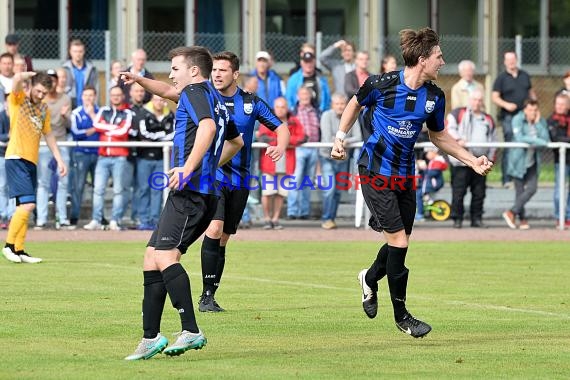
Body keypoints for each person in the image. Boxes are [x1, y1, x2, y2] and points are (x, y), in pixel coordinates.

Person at [331, 27, 493, 338]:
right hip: (375, 171)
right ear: (422, 60)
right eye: (438, 57)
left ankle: (369, 278)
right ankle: (402, 316)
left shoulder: (434, 96)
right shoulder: (382, 83)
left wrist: (472, 160)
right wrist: (340, 138)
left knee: (399, 240)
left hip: (405, 176)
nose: (442, 62)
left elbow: (439, 136)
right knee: (400, 242)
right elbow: (354, 103)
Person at [119, 46, 243, 360]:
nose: (171, 74)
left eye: (175, 68)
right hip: (200, 190)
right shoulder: (212, 98)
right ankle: (150, 337)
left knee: (164, 255)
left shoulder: (194, 94)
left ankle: (190, 330)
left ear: (192, 71)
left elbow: (208, 128)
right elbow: (236, 141)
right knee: (152, 257)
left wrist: (190, 167)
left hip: (192, 192)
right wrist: (138, 79)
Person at [198, 51, 289, 312]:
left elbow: (281, 127)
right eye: (214, 69)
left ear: (235, 74)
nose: (216, 74)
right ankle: (205, 296)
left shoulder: (251, 102)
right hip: (213, 175)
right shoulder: (203, 96)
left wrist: (280, 146)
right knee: (214, 229)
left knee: (224, 237)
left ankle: (211, 294)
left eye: (222, 70)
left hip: (241, 179)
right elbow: (171, 93)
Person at [2, 71, 68, 264]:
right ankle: (8, 246)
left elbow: (48, 135)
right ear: (31, 86)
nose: (40, 95)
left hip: (31, 161)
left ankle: (19, 249)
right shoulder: (19, 100)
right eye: (38, 91)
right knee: (29, 204)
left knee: (25, 207)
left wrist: (60, 160)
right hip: (16, 157)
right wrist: (30, 73)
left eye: (44, 92)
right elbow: (15, 80)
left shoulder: (44, 109)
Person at [82, 86, 132, 231]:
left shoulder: (127, 112)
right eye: (113, 95)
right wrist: (114, 127)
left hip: (120, 157)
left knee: (118, 190)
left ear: (122, 96)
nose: (115, 97)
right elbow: (96, 125)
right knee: (98, 189)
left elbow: (124, 131)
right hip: (103, 156)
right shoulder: (103, 111)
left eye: (118, 95)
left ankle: (114, 220)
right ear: (110, 96)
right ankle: (96, 220)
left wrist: (106, 127)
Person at [447, 89, 497, 228]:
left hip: (481, 163)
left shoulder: (488, 119)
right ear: (469, 100)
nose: (477, 103)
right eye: (474, 99)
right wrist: (458, 139)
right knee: (459, 192)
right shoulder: (458, 114)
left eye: (480, 100)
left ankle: (477, 219)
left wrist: (491, 158)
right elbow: (448, 130)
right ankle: (457, 219)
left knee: (479, 192)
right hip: (460, 162)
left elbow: (493, 139)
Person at [258, 97, 306, 230]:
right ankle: (267, 218)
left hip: (287, 163)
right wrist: (284, 142)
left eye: (283, 107)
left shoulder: (293, 121)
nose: (280, 109)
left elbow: (302, 137)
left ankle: (276, 219)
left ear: (287, 108)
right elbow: (263, 137)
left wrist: (283, 142)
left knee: (281, 193)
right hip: (270, 162)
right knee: (267, 192)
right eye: (278, 107)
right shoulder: (267, 118)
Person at [502, 99, 549, 230]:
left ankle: (511, 212)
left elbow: (546, 139)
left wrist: (539, 123)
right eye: (530, 110)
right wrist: (537, 141)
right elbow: (520, 138)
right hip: (518, 161)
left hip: (532, 161)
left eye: (535, 110)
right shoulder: (517, 119)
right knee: (520, 191)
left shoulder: (540, 121)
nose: (532, 113)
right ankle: (522, 219)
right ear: (525, 110)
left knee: (532, 188)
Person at [35, 69, 72, 230]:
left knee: (63, 181)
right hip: (44, 143)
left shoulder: (65, 98)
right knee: (43, 182)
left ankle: (62, 218)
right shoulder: (40, 100)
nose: (51, 83)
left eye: (53, 80)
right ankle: (41, 219)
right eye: (48, 80)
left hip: (61, 142)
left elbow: (70, 126)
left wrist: (65, 116)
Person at [492, 51, 536, 187]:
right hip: (509, 117)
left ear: (516, 60)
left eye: (513, 59)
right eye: (508, 60)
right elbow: (495, 97)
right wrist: (506, 104)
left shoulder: (525, 75)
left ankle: (523, 177)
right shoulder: (501, 78)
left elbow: (531, 93)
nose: (511, 62)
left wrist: (535, 106)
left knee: (526, 145)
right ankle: (507, 179)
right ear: (505, 62)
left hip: (525, 117)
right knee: (510, 145)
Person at [319, 93, 361, 229]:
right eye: (337, 104)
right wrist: (344, 141)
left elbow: (358, 136)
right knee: (329, 189)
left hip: (344, 158)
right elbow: (326, 138)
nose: (340, 107)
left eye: (342, 104)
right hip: (327, 157)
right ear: (332, 105)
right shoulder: (326, 116)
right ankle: (326, 218)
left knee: (337, 191)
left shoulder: (352, 115)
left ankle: (332, 219)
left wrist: (342, 141)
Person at [135, 94, 174, 230]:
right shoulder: (143, 114)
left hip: (161, 159)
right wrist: (162, 136)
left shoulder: (170, 115)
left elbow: (174, 133)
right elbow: (143, 134)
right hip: (144, 157)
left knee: (158, 188)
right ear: (152, 101)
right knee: (143, 189)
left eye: (162, 100)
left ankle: (155, 219)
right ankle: (144, 220)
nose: (160, 102)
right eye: (157, 100)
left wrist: (157, 138)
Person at [287, 86, 320, 220]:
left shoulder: (316, 111)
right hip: (298, 149)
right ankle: (292, 210)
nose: (305, 97)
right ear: (298, 96)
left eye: (307, 94)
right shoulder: (293, 112)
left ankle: (304, 211)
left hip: (314, 148)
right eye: (302, 94)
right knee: (296, 179)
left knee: (308, 181)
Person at [69, 85, 99, 227]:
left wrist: (93, 117)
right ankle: (74, 217)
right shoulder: (76, 113)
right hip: (81, 153)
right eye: (86, 95)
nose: (88, 98)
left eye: (91, 95)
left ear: (95, 97)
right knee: (78, 186)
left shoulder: (100, 112)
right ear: (81, 97)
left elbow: (103, 128)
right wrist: (94, 129)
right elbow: (76, 133)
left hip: (98, 153)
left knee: (98, 187)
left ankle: (98, 218)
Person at [547, 93, 570, 228]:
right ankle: (559, 217)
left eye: (562, 104)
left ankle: (568, 217)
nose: (559, 107)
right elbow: (555, 138)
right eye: (557, 104)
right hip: (560, 161)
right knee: (559, 190)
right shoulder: (551, 120)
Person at [285, 46, 331, 113]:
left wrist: (323, 112)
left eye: (310, 62)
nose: (308, 64)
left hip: (319, 113)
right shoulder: (294, 79)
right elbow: (289, 99)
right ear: (301, 62)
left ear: (314, 62)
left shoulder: (321, 79)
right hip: (299, 115)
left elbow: (327, 98)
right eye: (306, 62)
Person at [62, 39, 99, 108]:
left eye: (80, 51)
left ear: (84, 52)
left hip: (88, 106)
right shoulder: (65, 69)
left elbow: (96, 89)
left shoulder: (92, 69)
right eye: (75, 51)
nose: (78, 54)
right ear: (70, 52)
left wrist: (95, 105)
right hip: (70, 106)